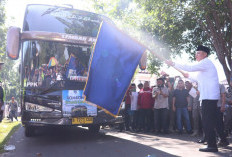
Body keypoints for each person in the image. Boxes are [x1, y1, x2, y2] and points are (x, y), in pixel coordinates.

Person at [166, 45, 220, 152]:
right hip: (207, 97)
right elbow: (195, 77)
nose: (196, 55)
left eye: (198, 53)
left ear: (205, 54)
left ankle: (212, 145)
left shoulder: (206, 62)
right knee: (210, 121)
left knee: (207, 121)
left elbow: (190, 68)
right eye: (196, 53)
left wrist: (174, 63)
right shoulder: (204, 68)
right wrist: (187, 76)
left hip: (209, 97)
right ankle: (216, 142)